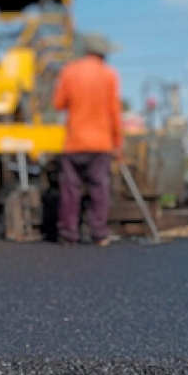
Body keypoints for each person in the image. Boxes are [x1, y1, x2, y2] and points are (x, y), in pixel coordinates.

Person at [52, 33, 124, 246]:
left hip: (74, 142)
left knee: (70, 189)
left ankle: (68, 234)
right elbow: (114, 111)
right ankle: (99, 233)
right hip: (100, 142)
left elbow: (58, 103)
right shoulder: (109, 75)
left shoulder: (69, 72)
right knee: (99, 187)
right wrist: (118, 142)